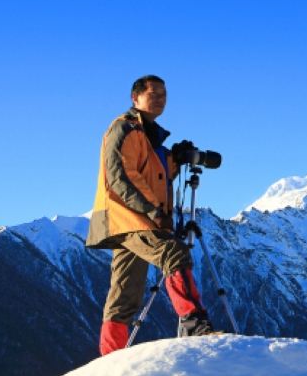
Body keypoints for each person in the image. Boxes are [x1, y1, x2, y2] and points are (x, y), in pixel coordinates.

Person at [86, 75, 215, 356]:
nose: (160, 99)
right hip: (130, 216)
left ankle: (110, 356)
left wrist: (175, 160)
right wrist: (153, 211)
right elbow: (121, 177)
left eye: (164, 94)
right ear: (135, 98)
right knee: (174, 253)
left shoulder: (149, 136)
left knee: (124, 293)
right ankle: (195, 324)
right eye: (153, 94)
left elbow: (154, 175)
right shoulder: (125, 128)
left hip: (131, 219)